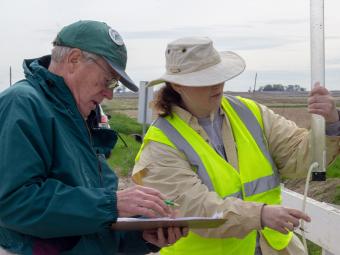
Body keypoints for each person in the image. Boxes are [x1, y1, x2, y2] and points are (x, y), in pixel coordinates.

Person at [132, 37, 340, 254]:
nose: (217, 85)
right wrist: (260, 215)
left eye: (218, 76)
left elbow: (299, 159)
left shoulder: (249, 112)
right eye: (204, 79)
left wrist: (331, 124)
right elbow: (194, 208)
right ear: (177, 85)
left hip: (272, 247)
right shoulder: (160, 143)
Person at [0, 20, 188, 255]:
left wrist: (143, 236)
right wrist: (112, 204)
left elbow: (91, 222)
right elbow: (13, 202)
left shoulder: (82, 116)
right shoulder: (22, 103)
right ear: (74, 60)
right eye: (108, 79)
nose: (109, 92)